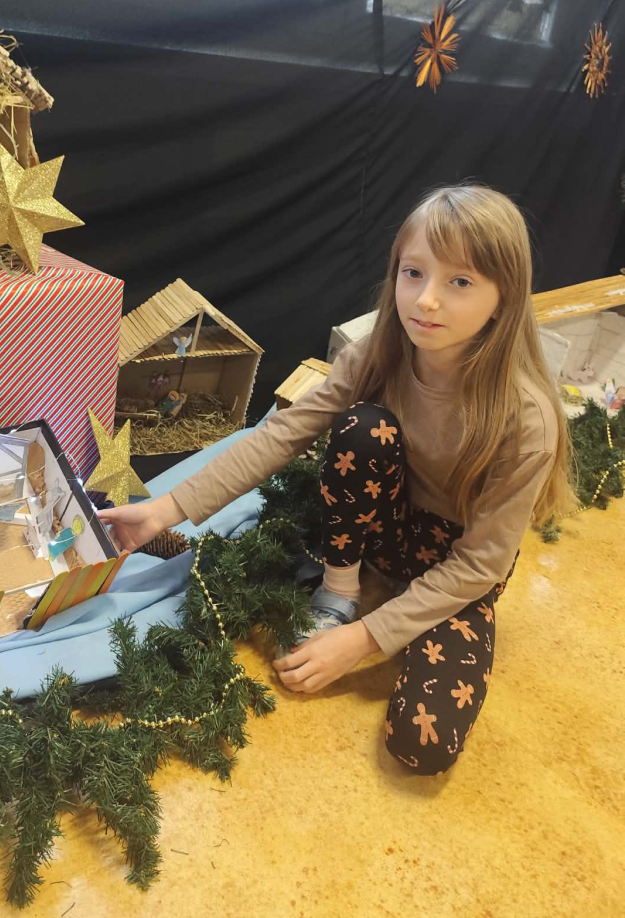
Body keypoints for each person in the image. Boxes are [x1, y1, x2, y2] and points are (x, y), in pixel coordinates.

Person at [102, 184, 575, 775]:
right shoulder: (377, 353)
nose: (426, 300)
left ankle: (367, 608)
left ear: (504, 297)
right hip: (381, 529)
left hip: (454, 565)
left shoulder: (526, 420)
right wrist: (164, 509)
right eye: (413, 273)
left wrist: (365, 640)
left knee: (422, 744)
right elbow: (283, 433)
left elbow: (481, 564)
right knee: (362, 429)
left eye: (460, 282)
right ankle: (341, 588)